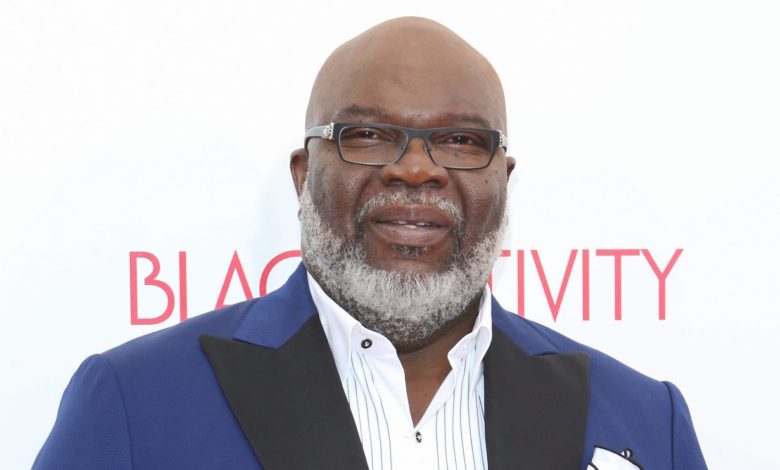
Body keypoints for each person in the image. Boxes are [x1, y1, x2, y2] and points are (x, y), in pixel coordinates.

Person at [34, 17, 707, 470]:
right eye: (368, 135)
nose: (415, 170)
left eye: (461, 140)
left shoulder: (646, 422)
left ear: (503, 181)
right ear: (304, 175)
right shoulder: (135, 403)